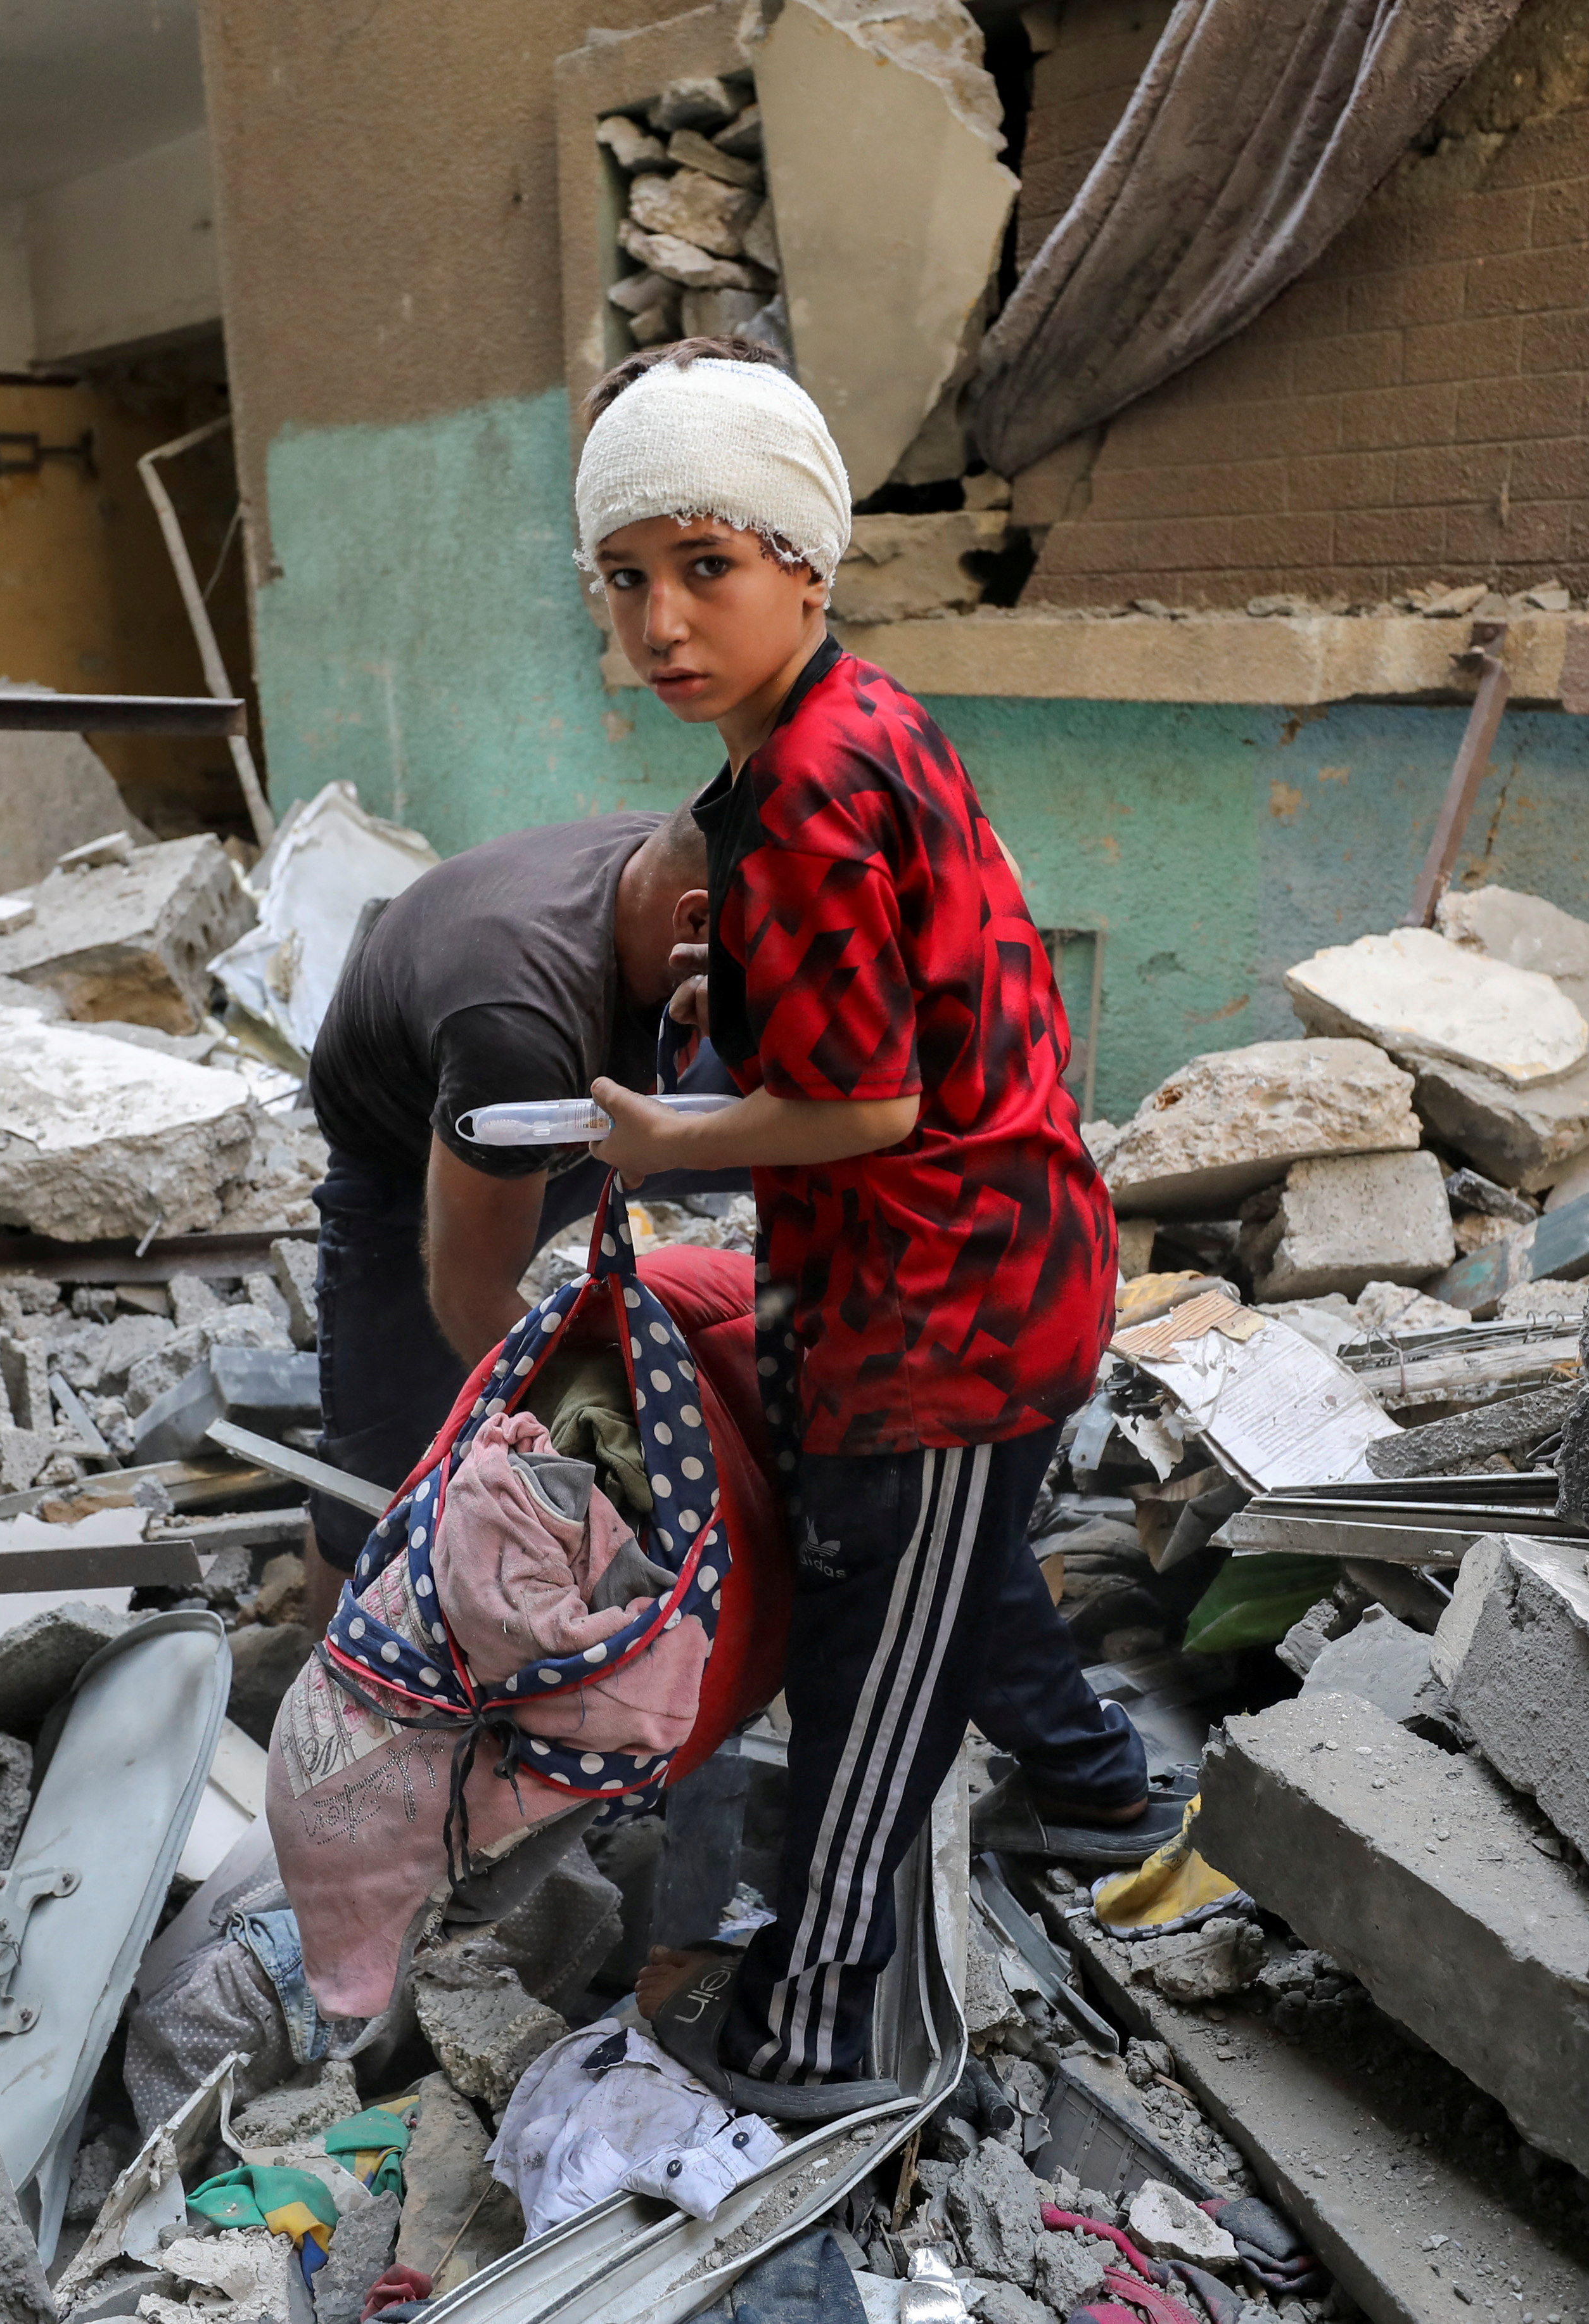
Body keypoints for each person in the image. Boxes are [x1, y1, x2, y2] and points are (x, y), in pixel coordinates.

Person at [569, 339, 1188, 2121]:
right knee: (960, 1584)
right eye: (627, 578)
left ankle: (818, 2017)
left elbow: (868, 1109)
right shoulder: (843, 724)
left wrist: (666, 1127)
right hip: (980, 1272)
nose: (662, 621)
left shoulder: (807, 787)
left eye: (707, 565)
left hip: (935, 1315)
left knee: (869, 1677)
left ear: (805, 564)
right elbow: (882, 1010)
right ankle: (1095, 1786)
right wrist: (733, 994)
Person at [298, 807, 713, 1621]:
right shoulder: (518, 1026)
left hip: (578, 1102)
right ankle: (331, 1696)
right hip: (415, 1153)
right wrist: (613, 1447)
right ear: (695, 921)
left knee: (808, 1124)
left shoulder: (673, 873)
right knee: (384, 1465)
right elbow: (471, 1294)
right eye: (792, 961)